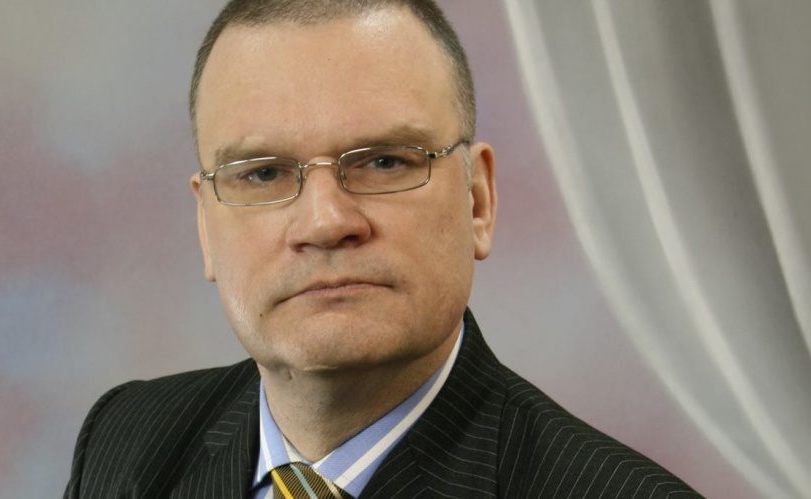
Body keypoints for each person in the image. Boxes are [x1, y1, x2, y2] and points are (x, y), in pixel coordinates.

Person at [64, 1, 699, 497]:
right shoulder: (126, 439)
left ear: (477, 201)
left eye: (385, 162)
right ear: (207, 225)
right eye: (262, 173)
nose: (325, 223)